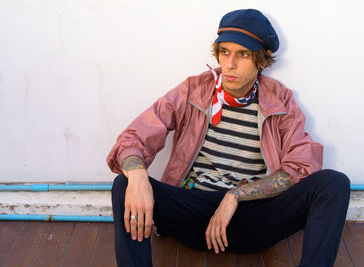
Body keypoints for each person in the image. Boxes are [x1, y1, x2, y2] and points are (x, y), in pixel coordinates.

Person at [106, 9, 350, 267]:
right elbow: (134, 137)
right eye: (225, 52)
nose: (229, 64)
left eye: (243, 54)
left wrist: (235, 196)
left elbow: (300, 167)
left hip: (252, 218)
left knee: (333, 184)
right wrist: (138, 176)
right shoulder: (194, 90)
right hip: (193, 211)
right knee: (124, 184)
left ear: (262, 60)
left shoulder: (280, 100)